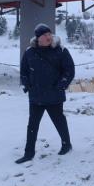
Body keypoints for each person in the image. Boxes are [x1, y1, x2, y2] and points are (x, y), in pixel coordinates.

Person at [17, 24, 75, 164]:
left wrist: (61, 85)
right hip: (36, 96)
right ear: (38, 38)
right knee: (32, 125)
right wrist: (27, 85)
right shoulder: (30, 52)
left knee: (59, 121)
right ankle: (29, 153)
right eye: (45, 35)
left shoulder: (60, 50)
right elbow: (24, 71)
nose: (48, 37)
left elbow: (69, 70)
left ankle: (66, 144)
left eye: (49, 34)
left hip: (54, 95)